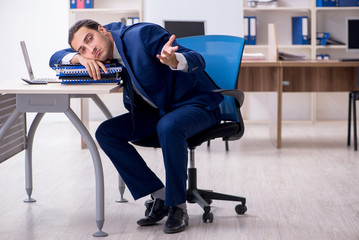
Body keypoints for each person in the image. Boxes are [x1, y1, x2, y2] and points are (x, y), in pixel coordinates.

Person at [49, 19, 223, 234]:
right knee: (106, 133)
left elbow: (198, 59)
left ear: (102, 30)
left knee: (168, 127)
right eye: (82, 48)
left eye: (90, 39)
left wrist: (174, 60)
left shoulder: (142, 35)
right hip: (157, 112)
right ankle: (160, 196)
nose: (90, 49)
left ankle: (178, 206)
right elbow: (55, 57)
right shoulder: (96, 47)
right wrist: (77, 58)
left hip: (196, 105)